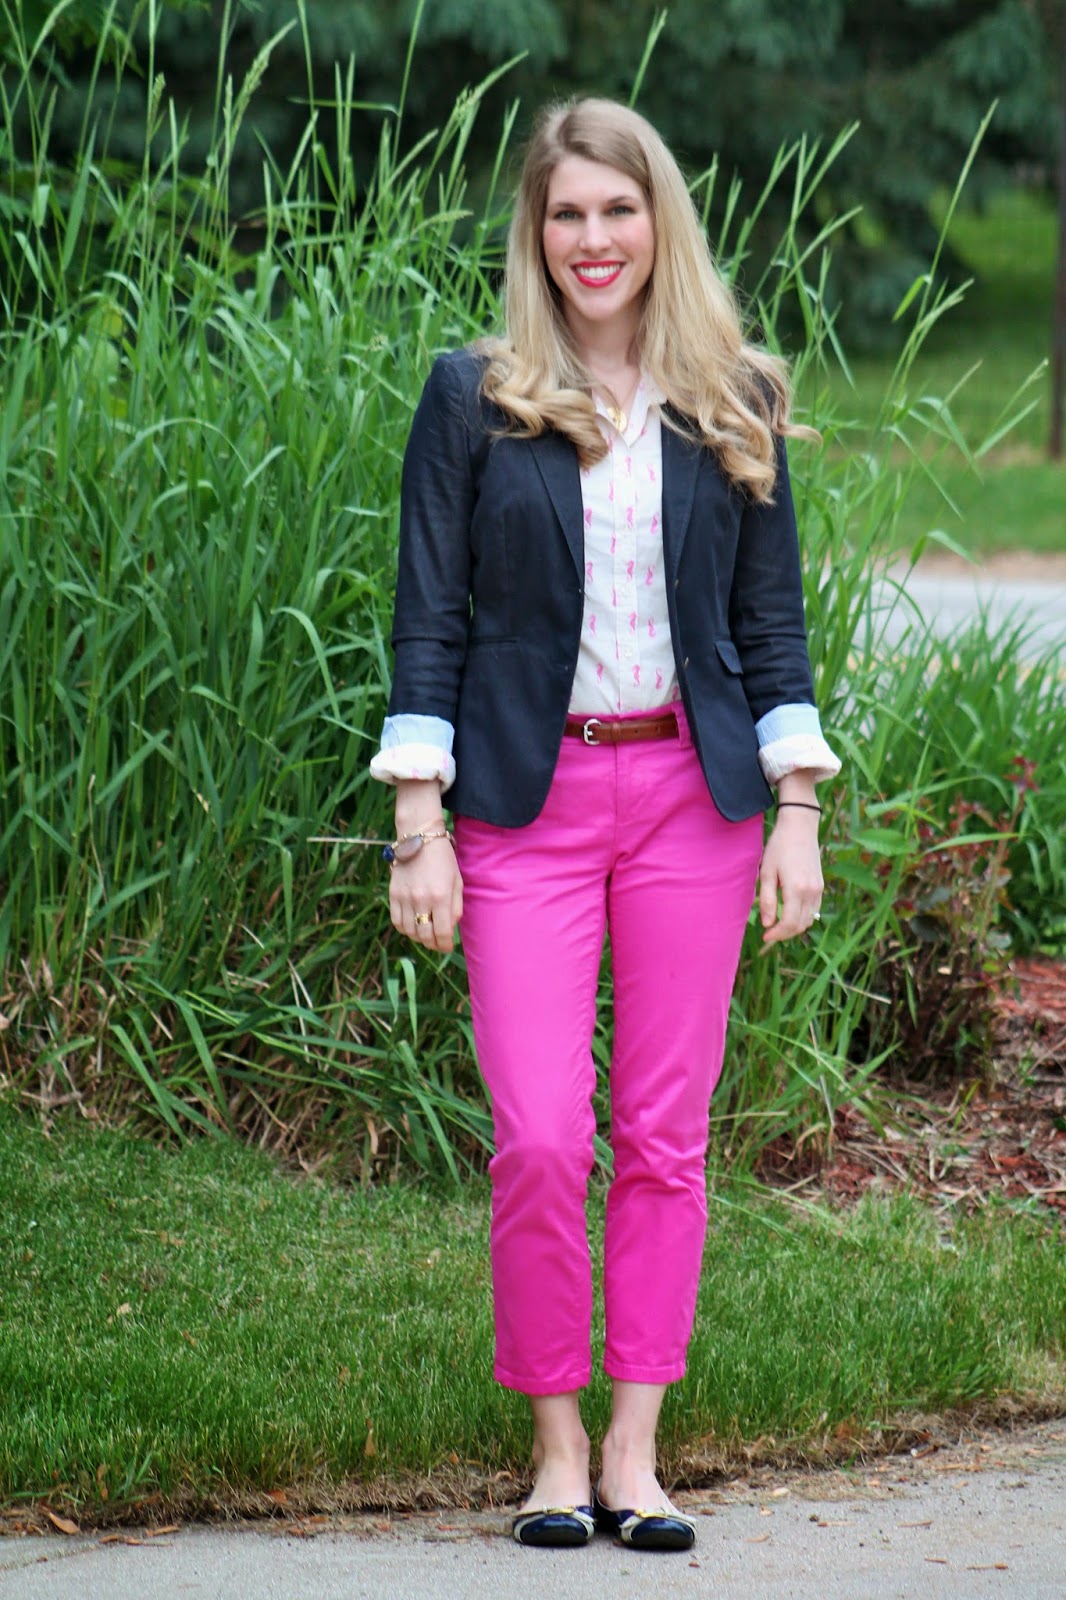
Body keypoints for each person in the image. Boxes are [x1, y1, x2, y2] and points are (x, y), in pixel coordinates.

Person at [370, 97, 840, 1552]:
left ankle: (633, 1454)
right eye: (565, 214)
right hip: (526, 802)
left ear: (659, 223)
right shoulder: (477, 393)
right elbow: (428, 619)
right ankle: (552, 1448)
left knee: (661, 1131)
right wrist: (418, 821)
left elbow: (771, 627)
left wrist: (796, 812)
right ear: (536, 230)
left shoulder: (733, 393)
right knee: (535, 1134)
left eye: (616, 211)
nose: (592, 240)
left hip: (692, 807)